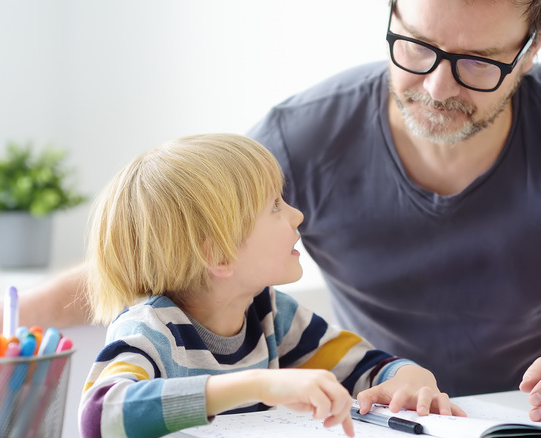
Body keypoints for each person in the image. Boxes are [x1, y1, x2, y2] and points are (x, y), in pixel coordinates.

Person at [0, 0, 541, 423]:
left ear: (531, 45)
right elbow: (164, 247)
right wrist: (20, 308)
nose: (434, 85)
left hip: (534, 420)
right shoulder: (302, 136)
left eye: (479, 63)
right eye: (414, 46)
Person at [77, 134, 461, 438]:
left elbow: (367, 367)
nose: (297, 215)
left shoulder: (269, 312)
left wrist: (408, 379)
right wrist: (258, 385)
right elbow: (99, 416)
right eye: (275, 206)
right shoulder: (149, 329)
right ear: (219, 257)